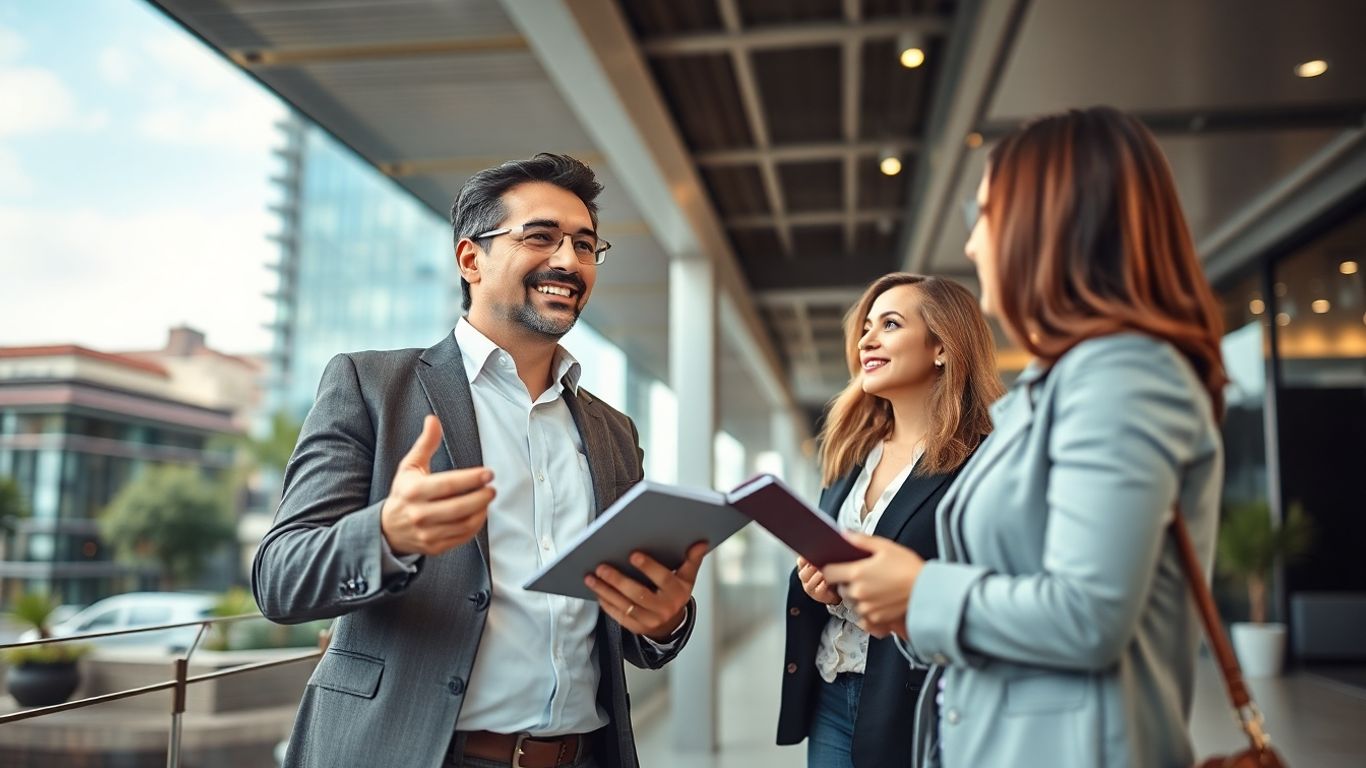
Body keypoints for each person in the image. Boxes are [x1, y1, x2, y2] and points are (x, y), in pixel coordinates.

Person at [253, 153, 707, 768]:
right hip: (411, 752)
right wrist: (386, 534)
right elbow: (280, 579)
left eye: (584, 244)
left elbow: (626, 631)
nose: (568, 261)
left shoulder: (613, 432)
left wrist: (662, 620)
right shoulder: (371, 385)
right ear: (471, 259)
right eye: (541, 237)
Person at [822, 106, 1228, 768]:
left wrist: (921, 590)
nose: (974, 244)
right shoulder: (1056, 389)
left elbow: (1088, 613)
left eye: (984, 216)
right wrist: (900, 604)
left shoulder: (1124, 374)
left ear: (1047, 224)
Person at [776, 273, 1004, 768]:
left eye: (891, 324)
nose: (867, 340)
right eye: (866, 327)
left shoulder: (986, 460)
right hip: (830, 690)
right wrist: (819, 583)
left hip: (919, 701)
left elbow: (992, 582)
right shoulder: (851, 454)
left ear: (941, 347)